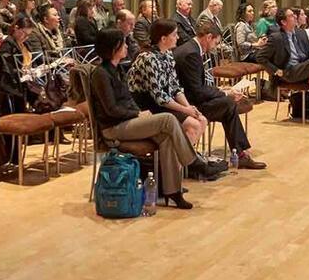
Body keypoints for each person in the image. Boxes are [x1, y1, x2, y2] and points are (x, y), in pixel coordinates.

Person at [90, 29, 202, 209]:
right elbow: (110, 110)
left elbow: (128, 100)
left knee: (166, 138)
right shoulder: (101, 74)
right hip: (113, 128)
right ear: (113, 48)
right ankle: (193, 161)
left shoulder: (118, 69)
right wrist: (137, 114)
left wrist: (138, 112)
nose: (127, 46)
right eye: (123, 44)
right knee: (167, 119)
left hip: (126, 121)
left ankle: (173, 191)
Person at [174, 22, 268, 168]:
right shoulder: (191, 53)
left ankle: (241, 153)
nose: (216, 47)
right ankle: (241, 154)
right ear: (208, 37)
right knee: (229, 103)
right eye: (216, 43)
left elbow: (198, 86)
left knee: (228, 106)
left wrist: (222, 91)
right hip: (187, 104)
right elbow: (196, 91)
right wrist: (225, 92)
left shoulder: (192, 49)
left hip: (191, 97)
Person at [127, 19, 208, 149]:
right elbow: (159, 97)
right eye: (174, 34)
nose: (178, 37)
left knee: (201, 120)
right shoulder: (148, 58)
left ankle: (186, 162)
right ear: (163, 39)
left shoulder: (168, 55)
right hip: (147, 105)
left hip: (162, 102)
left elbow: (175, 87)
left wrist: (189, 108)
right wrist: (185, 110)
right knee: (194, 125)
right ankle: (178, 164)